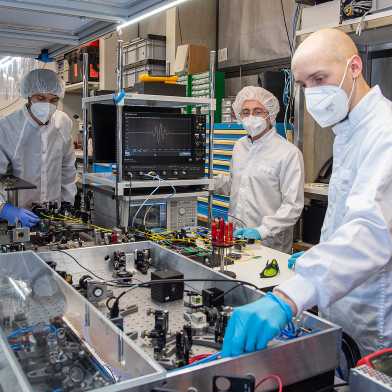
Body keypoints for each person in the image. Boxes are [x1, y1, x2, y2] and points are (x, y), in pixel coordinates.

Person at [222, 28, 392, 359]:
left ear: (354, 67)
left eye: (319, 78)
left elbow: (371, 230)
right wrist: (321, 255)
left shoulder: (384, 131)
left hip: (372, 310)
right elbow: (348, 218)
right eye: (303, 85)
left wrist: (288, 297)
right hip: (339, 299)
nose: (312, 92)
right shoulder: (348, 131)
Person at [214, 86, 304, 254]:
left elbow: (292, 206)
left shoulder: (288, 153)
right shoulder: (239, 146)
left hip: (269, 244)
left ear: (270, 115)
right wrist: (206, 183)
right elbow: (237, 184)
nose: (251, 117)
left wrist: (262, 230)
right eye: (245, 112)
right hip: (235, 238)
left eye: (257, 112)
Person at [0, 69, 76, 227]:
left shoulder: (63, 123)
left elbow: (67, 169)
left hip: (52, 215)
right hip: (18, 216)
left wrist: (67, 204)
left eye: (53, 100)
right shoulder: (8, 127)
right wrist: (4, 209)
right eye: (40, 98)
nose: (47, 105)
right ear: (28, 96)